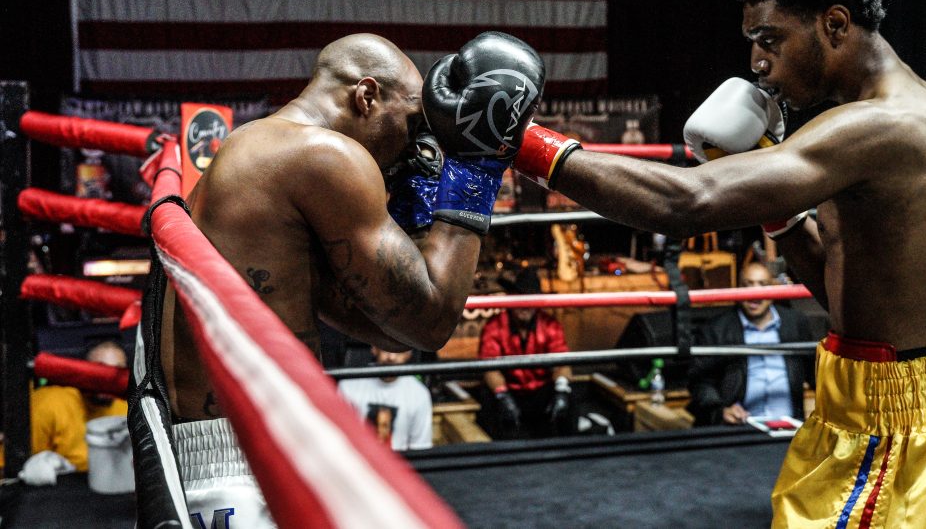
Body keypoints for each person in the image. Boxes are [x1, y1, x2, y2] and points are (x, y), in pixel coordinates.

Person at [511, 0, 926, 526]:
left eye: (770, 40)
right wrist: (778, 209)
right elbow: (844, 287)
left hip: (902, 432)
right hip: (923, 404)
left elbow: (685, 203)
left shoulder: (879, 127)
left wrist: (518, 142)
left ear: (835, 24)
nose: (757, 63)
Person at [136, 32, 544, 527]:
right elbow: (432, 322)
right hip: (247, 459)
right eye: (412, 123)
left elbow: (387, 325)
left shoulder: (253, 144)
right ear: (366, 96)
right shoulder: (324, 155)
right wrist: (474, 171)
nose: (415, 144)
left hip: (210, 447)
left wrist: (414, 201)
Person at [688, 261, 815, 426]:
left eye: (763, 284)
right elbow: (700, 381)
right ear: (738, 289)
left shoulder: (796, 323)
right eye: (748, 285)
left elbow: (815, 374)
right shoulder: (716, 329)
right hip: (740, 429)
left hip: (790, 427)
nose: (755, 292)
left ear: (773, 290)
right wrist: (721, 411)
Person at [5, 340, 128, 485]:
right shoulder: (50, 404)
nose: (107, 379)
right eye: (100, 370)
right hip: (56, 491)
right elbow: (11, 471)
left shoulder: (131, 406)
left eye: (116, 372)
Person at [478, 267, 575, 438]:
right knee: (489, 402)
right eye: (520, 298)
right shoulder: (495, 326)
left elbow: (561, 362)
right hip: (509, 390)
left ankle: (567, 451)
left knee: (567, 401)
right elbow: (490, 367)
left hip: (541, 392)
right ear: (511, 299)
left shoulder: (550, 325)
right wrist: (503, 395)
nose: (525, 306)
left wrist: (561, 391)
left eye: (530, 299)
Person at [337, 345, 433, 451]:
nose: (391, 357)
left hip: (398, 461)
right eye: (386, 348)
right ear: (374, 348)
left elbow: (420, 448)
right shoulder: (348, 385)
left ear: (408, 353)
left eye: (398, 350)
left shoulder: (419, 394)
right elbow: (337, 440)